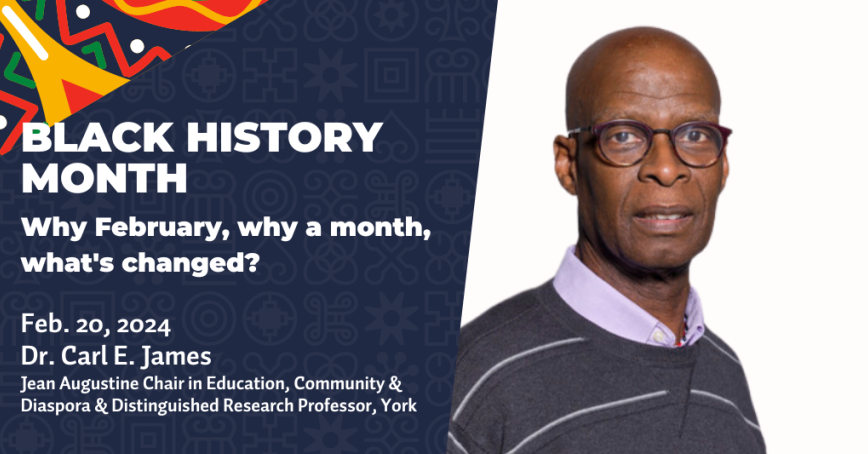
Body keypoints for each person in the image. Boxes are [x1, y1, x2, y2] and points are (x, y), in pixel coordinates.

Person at [447, 27, 764, 453]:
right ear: (568, 164)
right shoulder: (476, 380)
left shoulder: (724, 376)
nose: (666, 169)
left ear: (722, 166)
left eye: (694, 134)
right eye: (624, 136)